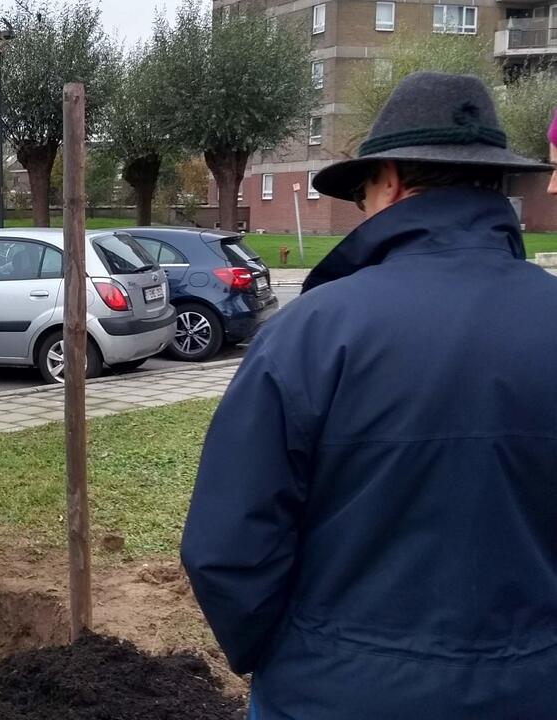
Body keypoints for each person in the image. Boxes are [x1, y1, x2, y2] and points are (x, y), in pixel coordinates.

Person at [180, 71, 557, 719]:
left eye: (361, 194)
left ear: (389, 182)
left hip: (330, 695)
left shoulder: (310, 333)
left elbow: (226, 546)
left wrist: (292, 657)